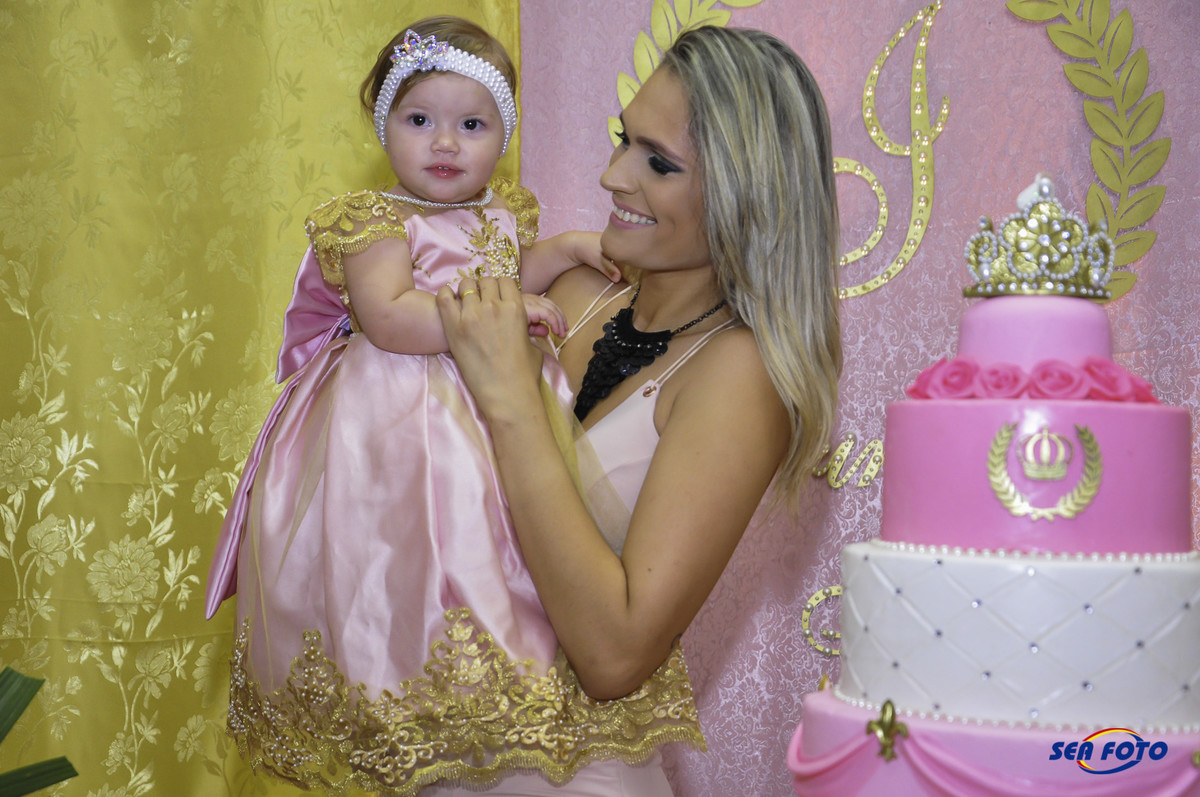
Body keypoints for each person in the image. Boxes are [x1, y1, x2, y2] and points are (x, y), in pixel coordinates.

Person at [200, 16, 692, 796]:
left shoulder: (501, 213)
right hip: (397, 416)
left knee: (492, 540)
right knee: (401, 551)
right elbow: (391, 315)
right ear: (383, 125)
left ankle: (489, 672)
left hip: (479, 413)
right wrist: (500, 315)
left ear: (504, 135)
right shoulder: (375, 221)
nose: (443, 143)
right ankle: (397, 680)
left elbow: (501, 265)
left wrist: (561, 251)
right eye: (419, 119)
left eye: (471, 125)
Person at [433, 24, 841, 795]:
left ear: (746, 190)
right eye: (625, 140)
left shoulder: (741, 373)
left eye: (658, 162)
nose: (612, 174)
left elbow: (615, 654)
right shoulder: (570, 292)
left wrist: (511, 399)